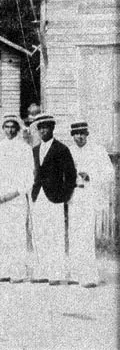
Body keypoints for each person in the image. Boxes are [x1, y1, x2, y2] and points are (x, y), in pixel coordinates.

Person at [30, 113, 77, 285]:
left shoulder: (61, 149)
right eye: (40, 128)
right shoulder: (35, 149)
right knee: (40, 234)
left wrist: (64, 196)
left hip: (55, 197)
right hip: (38, 196)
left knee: (55, 235)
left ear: (52, 128)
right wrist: (33, 192)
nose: (43, 131)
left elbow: (70, 176)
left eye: (46, 127)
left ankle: (55, 274)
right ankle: (41, 271)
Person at [0, 114, 34, 282]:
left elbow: (28, 177)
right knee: (2, 235)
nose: (9, 129)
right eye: (6, 126)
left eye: (12, 126)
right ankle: (2, 271)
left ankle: (17, 272)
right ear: (3, 128)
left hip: (16, 198)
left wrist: (13, 193)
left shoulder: (24, 148)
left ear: (17, 128)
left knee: (17, 235)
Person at [68, 121, 114, 287]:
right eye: (76, 134)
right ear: (72, 135)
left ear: (87, 134)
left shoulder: (97, 150)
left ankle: (88, 275)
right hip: (73, 195)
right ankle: (74, 273)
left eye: (82, 133)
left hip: (88, 194)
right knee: (74, 234)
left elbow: (109, 172)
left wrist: (91, 175)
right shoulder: (69, 151)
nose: (79, 137)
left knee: (86, 235)